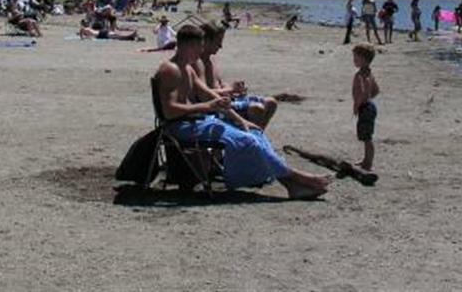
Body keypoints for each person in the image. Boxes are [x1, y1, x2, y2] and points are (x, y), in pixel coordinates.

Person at [154, 25, 331, 199]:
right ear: (189, 46)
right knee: (246, 141)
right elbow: (170, 112)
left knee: (253, 132)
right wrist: (206, 107)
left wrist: (241, 120)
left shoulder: (188, 68)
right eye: (199, 47)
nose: (201, 51)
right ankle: (296, 177)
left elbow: (214, 99)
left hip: (198, 122)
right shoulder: (171, 70)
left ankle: (291, 183)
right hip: (180, 127)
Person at [198, 23, 277, 129]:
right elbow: (203, 94)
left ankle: (258, 134)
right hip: (216, 104)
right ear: (206, 41)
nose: (221, 46)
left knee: (271, 102)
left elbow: (220, 84)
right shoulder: (198, 63)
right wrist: (230, 89)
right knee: (257, 108)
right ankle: (253, 136)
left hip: (228, 98)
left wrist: (235, 89)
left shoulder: (211, 59)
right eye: (218, 42)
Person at [352, 43, 380, 172]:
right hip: (370, 105)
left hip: (365, 107)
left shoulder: (359, 76)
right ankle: (366, 160)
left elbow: (361, 92)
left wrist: (357, 105)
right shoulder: (369, 73)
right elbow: (376, 90)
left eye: (356, 58)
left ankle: (368, 163)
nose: (354, 60)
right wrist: (369, 98)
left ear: (363, 59)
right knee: (365, 136)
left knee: (367, 137)